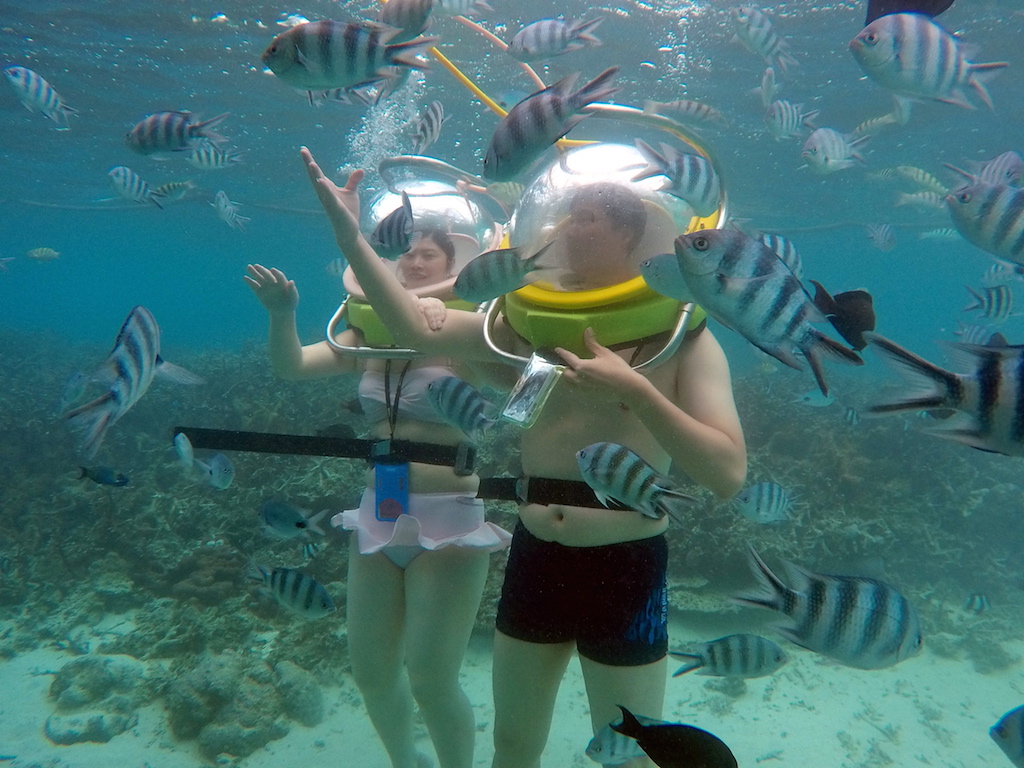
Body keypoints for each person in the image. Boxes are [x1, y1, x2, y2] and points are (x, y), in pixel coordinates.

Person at [299, 145, 747, 768]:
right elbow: (408, 327)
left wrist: (637, 392)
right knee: (512, 745)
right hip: (538, 558)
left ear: (629, 233)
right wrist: (349, 235)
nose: (566, 228)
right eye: (563, 216)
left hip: (626, 565)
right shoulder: (530, 330)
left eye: (586, 218)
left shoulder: (683, 339)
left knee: (633, 756)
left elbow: (726, 473)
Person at [245, 225, 512, 768]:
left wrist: (466, 324)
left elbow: (519, 387)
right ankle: (405, 763)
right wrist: (281, 313)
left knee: (432, 682)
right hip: (377, 514)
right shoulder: (366, 337)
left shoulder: (465, 332)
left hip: (449, 522)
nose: (414, 262)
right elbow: (290, 366)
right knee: (371, 674)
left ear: (451, 267)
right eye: (406, 253)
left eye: (428, 255)